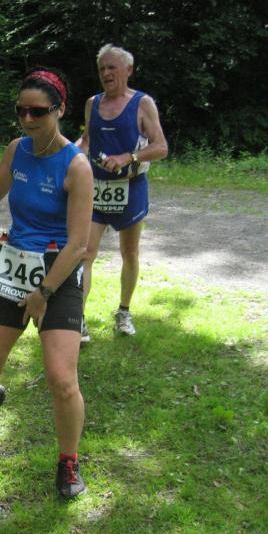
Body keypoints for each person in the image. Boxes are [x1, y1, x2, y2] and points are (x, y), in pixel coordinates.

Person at [0, 68, 93, 498]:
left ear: (60, 110)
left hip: (58, 273)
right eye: (21, 110)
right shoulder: (16, 149)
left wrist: (44, 293)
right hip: (15, 267)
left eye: (38, 111)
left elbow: (79, 244)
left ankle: (68, 462)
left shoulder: (76, 166)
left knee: (61, 379)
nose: (27, 119)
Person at [76, 44, 168, 342]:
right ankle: (78, 319)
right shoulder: (92, 103)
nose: (106, 73)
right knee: (85, 253)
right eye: (102, 68)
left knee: (129, 252)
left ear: (128, 70)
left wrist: (129, 157)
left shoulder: (143, 104)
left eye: (111, 67)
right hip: (97, 188)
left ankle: (124, 311)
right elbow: (87, 141)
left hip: (131, 187)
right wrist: (71, 155)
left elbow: (161, 147)